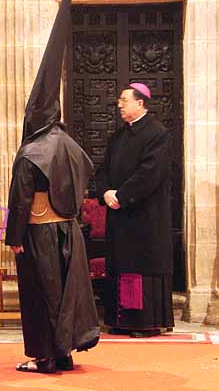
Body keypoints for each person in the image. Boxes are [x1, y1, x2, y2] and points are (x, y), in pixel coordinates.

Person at [6, 0, 100, 374]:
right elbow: (87, 175)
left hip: (41, 233)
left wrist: (15, 238)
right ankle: (63, 351)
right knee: (66, 293)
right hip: (69, 232)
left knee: (42, 293)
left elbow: (21, 198)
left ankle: (45, 356)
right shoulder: (70, 145)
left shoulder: (31, 152)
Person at [96, 82, 174, 337]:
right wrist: (106, 192)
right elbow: (103, 169)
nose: (119, 104)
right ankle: (121, 321)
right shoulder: (118, 136)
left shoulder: (157, 134)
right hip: (120, 215)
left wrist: (122, 195)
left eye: (124, 100)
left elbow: (150, 173)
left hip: (145, 216)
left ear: (140, 103)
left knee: (141, 268)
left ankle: (143, 323)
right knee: (121, 266)